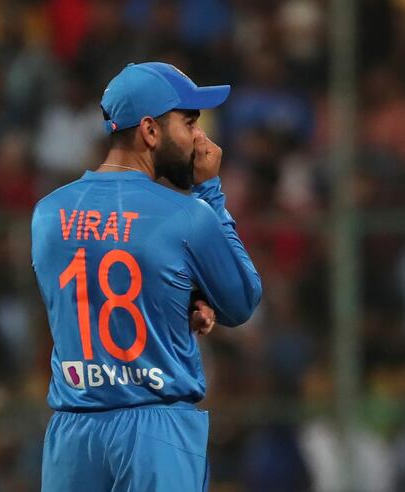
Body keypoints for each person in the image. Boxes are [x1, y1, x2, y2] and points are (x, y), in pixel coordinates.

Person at [31, 62, 262, 491]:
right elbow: (242, 300)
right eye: (190, 122)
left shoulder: (47, 213)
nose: (200, 137)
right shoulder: (187, 214)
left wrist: (180, 301)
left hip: (72, 432)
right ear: (151, 131)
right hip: (156, 431)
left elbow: (99, 283)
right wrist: (210, 192)